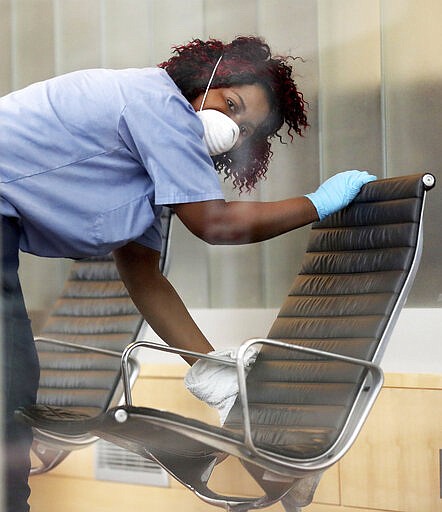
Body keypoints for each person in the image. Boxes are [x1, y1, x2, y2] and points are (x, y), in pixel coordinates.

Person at [0, 35, 375, 511]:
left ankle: (277, 477)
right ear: (206, 77)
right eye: (232, 103)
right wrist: (315, 204)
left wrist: (214, 374)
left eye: (243, 127)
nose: (230, 125)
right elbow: (215, 225)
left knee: (9, 379)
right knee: (8, 382)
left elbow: (145, 279)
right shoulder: (157, 103)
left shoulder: (150, 164)